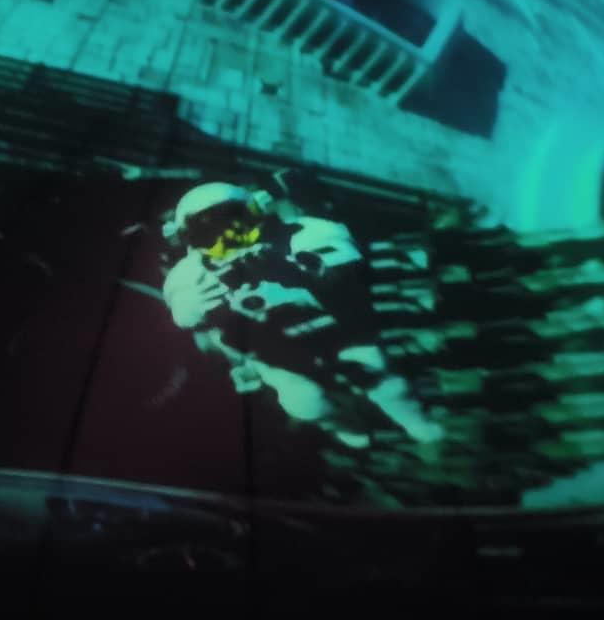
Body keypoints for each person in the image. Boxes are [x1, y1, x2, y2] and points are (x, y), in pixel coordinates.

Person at [161, 181, 444, 449]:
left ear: (255, 214)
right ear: (191, 241)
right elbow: (182, 314)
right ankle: (340, 423)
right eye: (209, 235)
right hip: (272, 350)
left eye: (235, 222)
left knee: (377, 372)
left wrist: (295, 271)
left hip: (331, 328)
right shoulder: (190, 275)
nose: (229, 239)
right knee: (304, 403)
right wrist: (195, 306)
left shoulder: (303, 233)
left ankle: (412, 419)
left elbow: (344, 266)